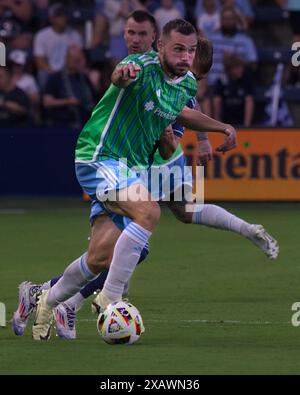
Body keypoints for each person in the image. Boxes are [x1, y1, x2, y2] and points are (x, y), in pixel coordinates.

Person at [12, 13, 277, 340]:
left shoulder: (187, 83)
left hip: (130, 168)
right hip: (100, 156)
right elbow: (120, 76)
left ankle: (45, 300)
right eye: (178, 49)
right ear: (160, 46)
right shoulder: (141, 66)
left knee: (98, 257)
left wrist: (221, 127)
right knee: (149, 211)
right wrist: (122, 73)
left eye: (191, 51)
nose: (185, 57)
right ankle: (110, 297)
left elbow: (182, 112)